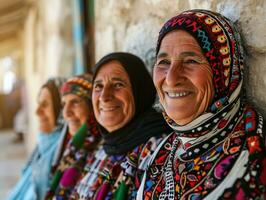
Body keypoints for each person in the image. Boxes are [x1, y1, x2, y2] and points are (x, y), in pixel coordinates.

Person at [137, 9, 266, 199]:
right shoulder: (160, 151)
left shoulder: (254, 157)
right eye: (164, 61)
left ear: (223, 73)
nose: (171, 79)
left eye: (190, 61)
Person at [70, 52, 172, 199]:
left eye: (118, 84)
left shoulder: (157, 151)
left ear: (140, 91)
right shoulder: (102, 147)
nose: (105, 97)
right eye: (98, 86)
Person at [7, 77, 66, 200]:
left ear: (61, 109)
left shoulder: (65, 151)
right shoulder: (42, 146)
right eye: (38, 103)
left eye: (45, 105)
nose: (37, 111)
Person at [45, 74, 100, 199]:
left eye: (75, 102)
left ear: (92, 107)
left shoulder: (104, 152)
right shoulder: (72, 146)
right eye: (63, 104)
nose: (66, 112)